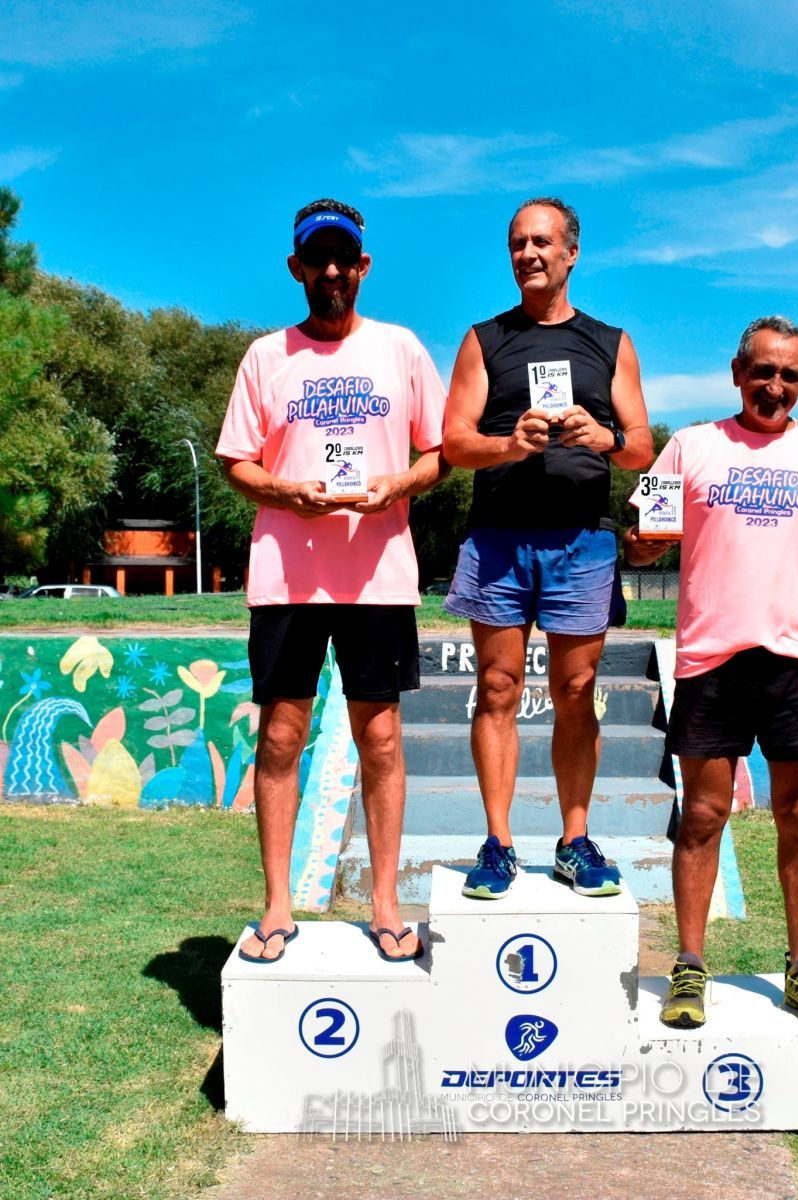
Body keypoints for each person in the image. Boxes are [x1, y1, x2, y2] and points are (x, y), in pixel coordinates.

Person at [625, 316, 798, 1028]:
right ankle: (688, 967)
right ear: (736, 372)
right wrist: (640, 542)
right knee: (703, 815)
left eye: (789, 376)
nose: (774, 386)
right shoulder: (690, 447)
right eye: (762, 371)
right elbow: (642, 544)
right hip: (712, 659)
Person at [216, 198, 446, 964]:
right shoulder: (264, 356)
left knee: (379, 738)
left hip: (378, 578)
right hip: (286, 579)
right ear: (297, 269)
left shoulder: (402, 349)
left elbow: (438, 453)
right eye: (318, 259)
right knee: (280, 736)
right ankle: (279, 906)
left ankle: (385, 906)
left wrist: (396, 484)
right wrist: (286, 493)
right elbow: (236, 463)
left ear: (364, 266)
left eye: (345, 258)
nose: (333, 271)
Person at [443, 197, 653, 898]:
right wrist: (509, 444)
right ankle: (498, 844)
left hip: (580, 543)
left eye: (541, 242)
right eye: (515, 244)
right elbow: (453, 443)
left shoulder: (610, 342)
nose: (527, 254)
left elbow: (642, 447)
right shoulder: (484, 340)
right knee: (497, 688)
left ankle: (573, 839)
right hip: (499, 540)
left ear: (571, 253)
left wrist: (605, 439)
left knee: (574, 691)